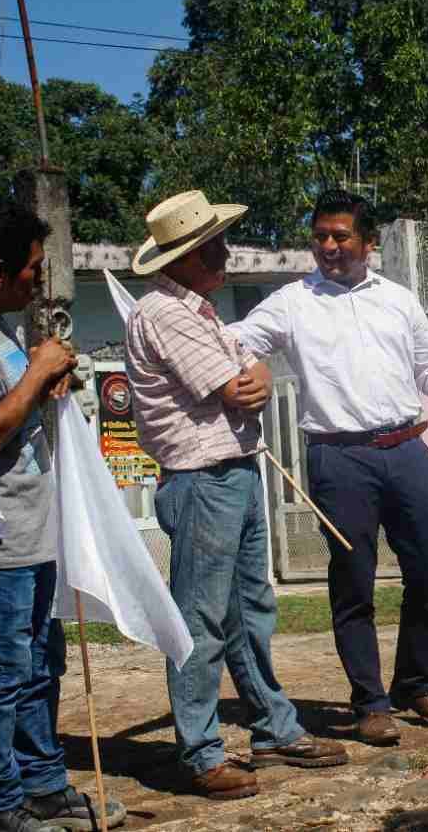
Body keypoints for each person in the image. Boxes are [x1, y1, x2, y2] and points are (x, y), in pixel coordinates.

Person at [230, 189, 428, 745]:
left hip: (406, 451)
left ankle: (415, 685)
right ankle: (370, 703)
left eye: (340, 236)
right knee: (354, 582)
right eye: (320, 236)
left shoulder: (398, 300)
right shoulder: (291, 302)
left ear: (368, 243)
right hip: (337, 457)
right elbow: (232, 343)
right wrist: (236, 366)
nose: (328, 246)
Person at [127, 190, 348, 801]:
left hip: (233, 470)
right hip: (202, 478)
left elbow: (253, 373)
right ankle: (201, 751)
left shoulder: (198, 313)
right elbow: (240, 389)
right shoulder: (165, 314)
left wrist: (252, 378)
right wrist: (250, 379)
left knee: (249, 611)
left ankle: (273, 728)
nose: (224, 254)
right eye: (213, 246)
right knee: (201, 618)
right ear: (185, 256)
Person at [0, 202, 126, 831]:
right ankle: (1, 804)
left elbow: (18, 408)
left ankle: (41, 783)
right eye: (33, 267)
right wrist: (37, 370)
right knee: (4, 672)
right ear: (2, 270)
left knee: (41, 663)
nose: (39, 279)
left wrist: (44, 383)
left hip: (35, 529)